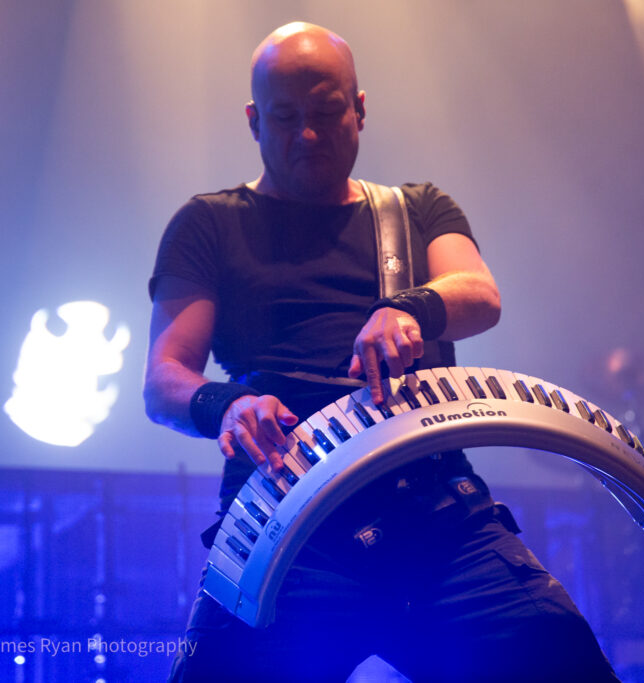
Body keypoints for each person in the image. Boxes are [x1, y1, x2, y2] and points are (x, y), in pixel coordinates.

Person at [144, 22, 618, 682]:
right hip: (284, 530)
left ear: (359, 108)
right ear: (253, 121)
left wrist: (410, 308)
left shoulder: (417, 209)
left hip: (438, 521)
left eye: (326, 112)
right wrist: (227, 404)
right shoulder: (208, 224)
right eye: (285, 117)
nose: (308, 135)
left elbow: (479, 292)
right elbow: (163, 379)